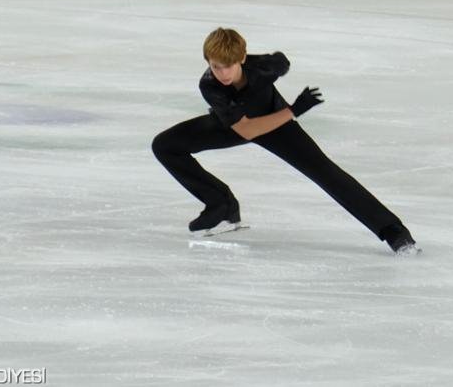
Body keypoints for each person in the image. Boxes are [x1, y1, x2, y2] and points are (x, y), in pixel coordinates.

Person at [152, 28, 420, 255]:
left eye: (228, 65)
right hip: (236, 126)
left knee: (326, 173)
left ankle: (394, 232)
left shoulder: (262, 68)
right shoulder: (210, 84)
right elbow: (246, 130)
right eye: (215, 66)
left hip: (279, 128)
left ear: (241, 58)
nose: (222, 73)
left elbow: (282, 62)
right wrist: (294, 110)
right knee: (165, 145)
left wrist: (283, 84)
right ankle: (221, 206)